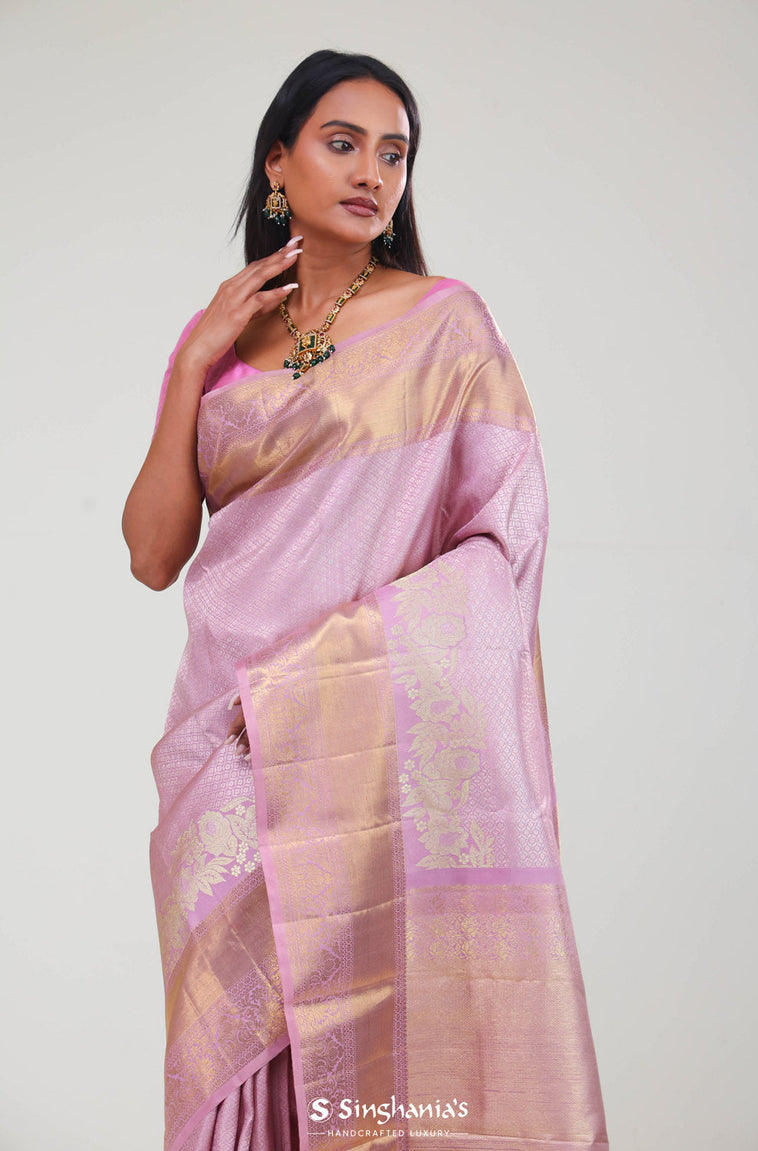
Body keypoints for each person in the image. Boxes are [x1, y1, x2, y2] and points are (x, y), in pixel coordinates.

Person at [123, 48, 609, 1151]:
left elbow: (504, 540)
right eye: (342, 144)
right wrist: (192, 362)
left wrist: (327, 673)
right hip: (225, 740)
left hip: (360, 730)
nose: (372, 173)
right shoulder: (217, 345)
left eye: (394, 154)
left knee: (370, 1022)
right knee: (234, 1044)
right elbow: (153, 555)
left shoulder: (444, 326)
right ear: (276, 162)